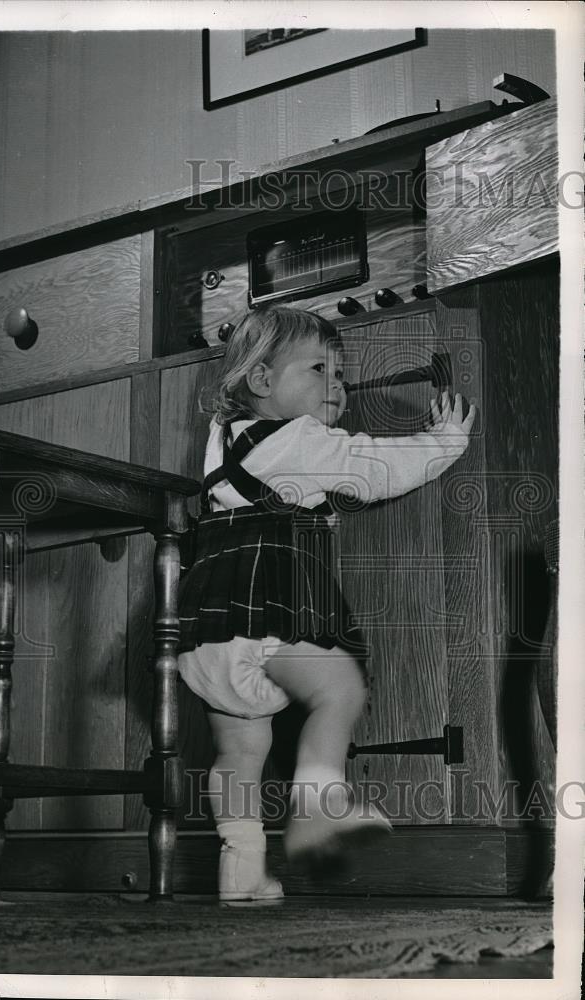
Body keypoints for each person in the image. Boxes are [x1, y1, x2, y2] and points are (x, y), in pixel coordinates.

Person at [177, 305, 477, 902]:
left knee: (239, 750)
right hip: (262, 622)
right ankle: (318, 808)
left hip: (207, 634)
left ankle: (241, 868)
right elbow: (373, 466)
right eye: (318, 368)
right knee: (339, 690)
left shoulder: (223, 443)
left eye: (339, 373)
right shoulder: (299, 440)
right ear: (262, 382)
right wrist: (445, 440)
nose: (336, 384)